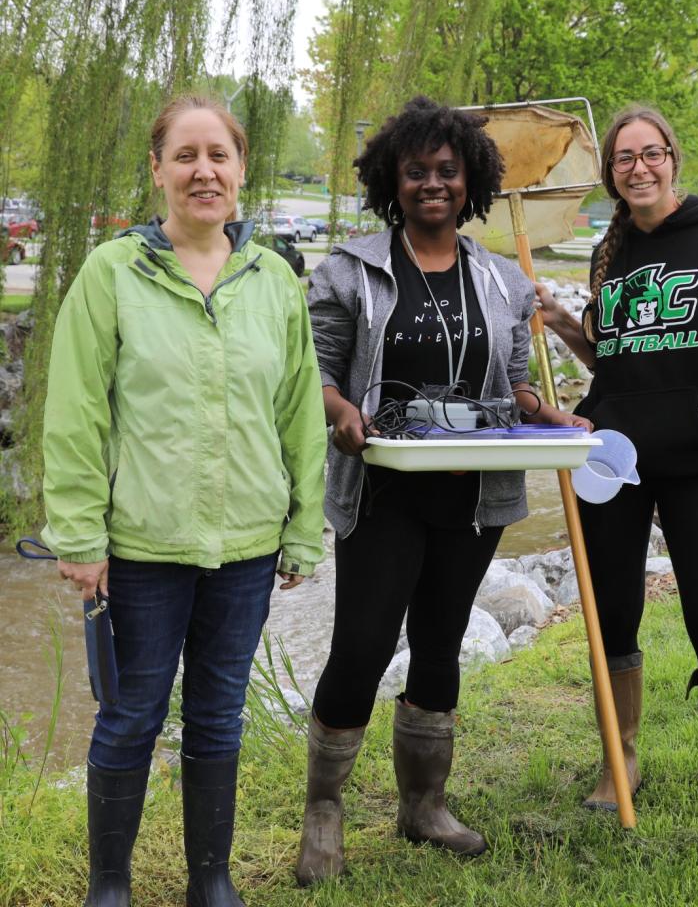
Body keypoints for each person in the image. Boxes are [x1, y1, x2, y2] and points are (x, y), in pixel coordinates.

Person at [41, 94, 327, 907]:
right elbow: (75, 413)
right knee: (130, 716)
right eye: (186, 155)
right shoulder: (113, 273)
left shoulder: (273, 280)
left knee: (217, 718)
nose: (204, 171)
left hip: (244, 549)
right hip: (141, 549)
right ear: (158, 171)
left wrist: (303, 529)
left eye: (220, 156)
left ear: (241, 172)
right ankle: (110, 886)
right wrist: (78, 534)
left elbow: (300, 412)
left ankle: (211, 878)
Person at [296, 96, 589, 883]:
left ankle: (423, 807)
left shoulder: (500, 281)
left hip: (473, 496)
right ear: (393, 181)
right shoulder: (349, 270)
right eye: (417, 170)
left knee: (440, 643)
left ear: (471, 182)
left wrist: (550, 415)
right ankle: (323, 812)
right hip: (385, 489)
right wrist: (341, 413)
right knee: (360, 648)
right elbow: (315, 372)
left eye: (447, 171)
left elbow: (512, 388)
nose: (433, 182)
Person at [535, 104, 698, 852]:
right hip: (612, 459)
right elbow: (614, 359)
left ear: (673, 158)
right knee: (610, 617)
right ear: (612, 174)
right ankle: (620, 758)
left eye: (651, 154)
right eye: (624, 159)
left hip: (696, 458)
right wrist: (562, 323)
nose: (639, 168)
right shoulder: (608, 250)